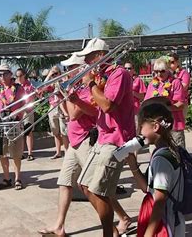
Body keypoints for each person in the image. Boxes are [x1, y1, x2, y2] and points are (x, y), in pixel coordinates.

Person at [76, 38, 135, 236]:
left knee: (98, 191)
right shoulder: (103, 77)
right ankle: (112, 231)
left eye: (89, 57)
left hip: (116, 139)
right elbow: (95, 109)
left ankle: (108, 233)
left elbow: (108, 106)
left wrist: (91, 83)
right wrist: (73, 99)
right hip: (102, 137)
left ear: (101, 56)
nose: (86, 62)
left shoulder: (119, 74)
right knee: (84, 185)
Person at [38, 53, 100, 236]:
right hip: (74, 141)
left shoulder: (89, 88)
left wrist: (65, 93)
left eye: (70, 68)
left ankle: (118, 220)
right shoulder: (75, 88)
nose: (66, 72)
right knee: (64, 183)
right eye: (66, 68)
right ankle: (59, 225)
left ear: (80, 69)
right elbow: (67, 113)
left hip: (85, 140)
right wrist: (63, 94)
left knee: (93, 188)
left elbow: (73, 114)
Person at [126, 102, 185, 237]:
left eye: (141, 126)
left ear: (155, 126)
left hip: (165, 223)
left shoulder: (161, 159)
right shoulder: (164, 151)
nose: (139, 132)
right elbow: (146, 188)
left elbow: (159, 200)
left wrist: (149, 233)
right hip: (168, 220)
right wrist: (132, 164)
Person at [0, 64, 26, 190]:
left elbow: (26, 104)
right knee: (2, 153)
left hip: (14, 124)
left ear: (10, 74)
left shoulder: (18, 89)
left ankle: (18, 178)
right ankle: (6, 179)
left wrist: (17, 114)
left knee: (16, 154)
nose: (1, 76)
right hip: (1, 124)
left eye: (4, 74)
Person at [144, 58, 186, 149]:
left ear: (168, 70)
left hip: (174, 125)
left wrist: (165, 108)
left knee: (178, 153)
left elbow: (181, 104)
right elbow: (146, 102)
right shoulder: (152, 84)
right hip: (157, 126)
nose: (159, 74)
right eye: (156, 71)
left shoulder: (176, 82)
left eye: (162, 71)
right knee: (157, 153)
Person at [45, 66, 70, 159]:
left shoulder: (63, 81)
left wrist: (61, 78)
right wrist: (49, 75)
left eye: (56, 73)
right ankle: (58, 152)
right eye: (53, 74)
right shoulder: (50, 84)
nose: (54, 75)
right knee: (55, 131)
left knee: (64, 131)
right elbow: (43, 86)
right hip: (53, 106)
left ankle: (67, 151)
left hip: (62, 106)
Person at [15, 68, 36, 161]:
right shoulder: (15, 86)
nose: (18, 78)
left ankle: (30, 153)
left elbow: (32, 97)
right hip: (19, 111)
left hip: (27, 110)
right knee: (20, 133)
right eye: (16, 76)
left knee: (28, 132)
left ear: (24, 76)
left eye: (20, 76)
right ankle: (21, 152)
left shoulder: (30, 85)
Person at [167, 52, 191, 118]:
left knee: (179, 125)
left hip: (180, 104)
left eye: (172, 62)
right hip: (169, 103)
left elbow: (184, 88)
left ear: (177, 62)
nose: (170, 65)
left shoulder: (184, 73)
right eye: (168, 62)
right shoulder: (166, 74)